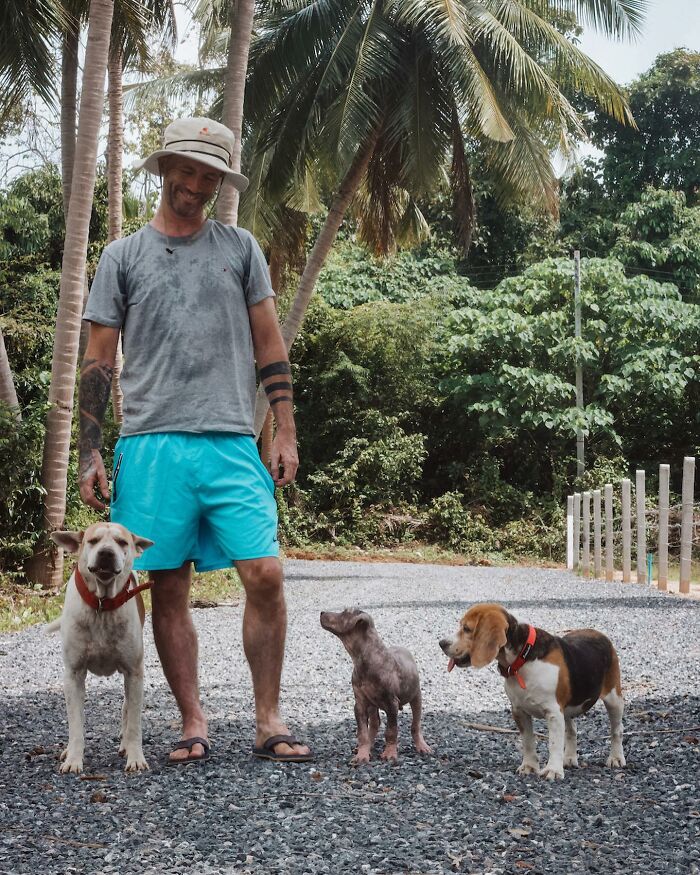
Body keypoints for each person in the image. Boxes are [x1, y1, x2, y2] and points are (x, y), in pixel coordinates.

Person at [77, 117, 312, 764]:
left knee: (265, 572)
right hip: (152, 442)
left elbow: (270, 343)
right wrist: (89, 450)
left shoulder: (240, 248)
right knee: (170, 585)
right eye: (189, 169)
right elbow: (99, 360)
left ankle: (269, 717)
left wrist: (285, 428)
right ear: (164, 169)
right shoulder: (122, 256)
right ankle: (192, 719)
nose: (198, 183)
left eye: (211, 174)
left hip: (233, 439)